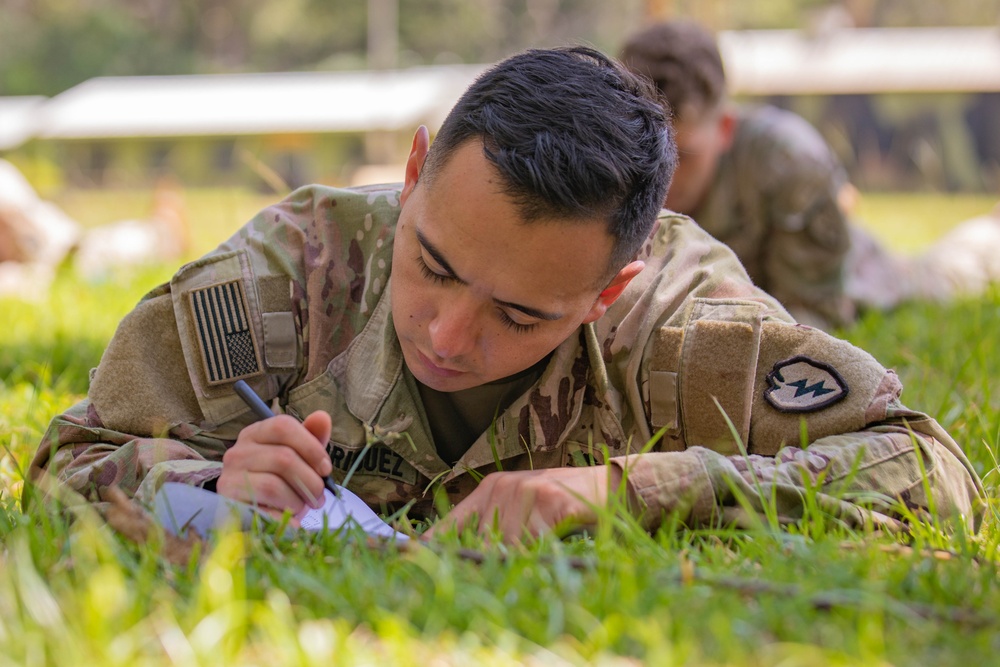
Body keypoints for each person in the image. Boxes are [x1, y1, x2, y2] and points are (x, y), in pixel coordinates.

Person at [28, 47, 983, 544]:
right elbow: (69, 459)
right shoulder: (292, 271)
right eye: (433, 263)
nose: (447, 333)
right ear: (411, 177)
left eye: (520, 315)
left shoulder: (681, 325)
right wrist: (205, 485)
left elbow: (929, 470)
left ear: (612, 289)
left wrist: (628, 491)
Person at [619, 19, 1000, 330]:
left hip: (855, 275)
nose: (660, 174)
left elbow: (811, 319)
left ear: (726, 128)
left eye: (682, 155)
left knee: (949, 273)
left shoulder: (789, 160)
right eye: (641, 152)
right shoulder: (603, 157)